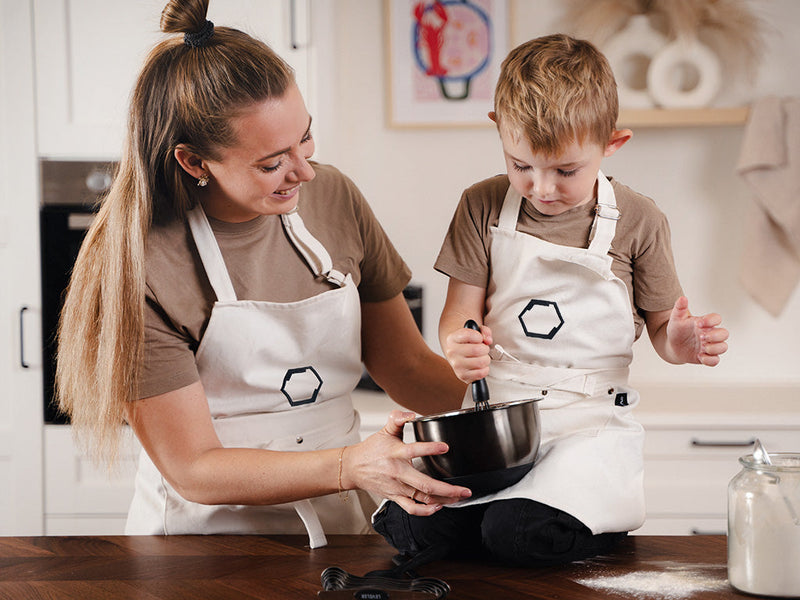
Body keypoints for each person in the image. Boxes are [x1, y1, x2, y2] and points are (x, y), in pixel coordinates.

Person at [55, 0, 471, 548]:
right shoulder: (142, 267)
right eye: (272, 162)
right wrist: (349, 465)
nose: (304, 170)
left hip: (349, 520)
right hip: (208, 543)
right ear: (194, 162)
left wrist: (515, 405)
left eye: (305, 137)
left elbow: (404, 363)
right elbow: (194, 468)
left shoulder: (334, 197)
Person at [374, 34, 729, 567]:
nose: (540, 188)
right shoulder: (482, 204)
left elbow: (663, 332)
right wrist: (458, 342)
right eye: (522, 166)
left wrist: (680, 342)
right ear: (498, 128)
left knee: (518, 533)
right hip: (498, 419)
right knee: (412, 526)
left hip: (586, 423)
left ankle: (590, 517)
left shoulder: (639, 221)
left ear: (613, 143)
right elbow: (460, 310)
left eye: (565, 171)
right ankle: (495, 518)